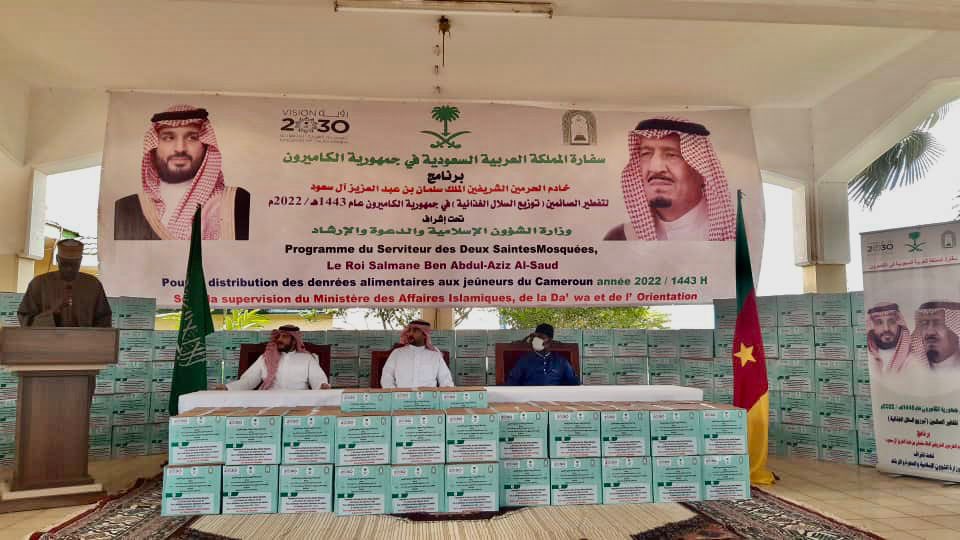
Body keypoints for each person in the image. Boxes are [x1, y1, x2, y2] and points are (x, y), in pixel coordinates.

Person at [114, 104, 250, 240]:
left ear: (206, 146)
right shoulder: (127, 207)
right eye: (168, 138)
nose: (180, 148)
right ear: (154, 147)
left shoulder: (237, 201)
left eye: (192, 138)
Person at [604, 116, 735, 241]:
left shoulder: (735, 234)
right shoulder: (620, 238)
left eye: (672, 155)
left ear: (702, 172)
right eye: (646, 153)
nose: (655, 168)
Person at [18, 239, 112, 327]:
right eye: (64, 264)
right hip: (47, 339)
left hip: (84, 339)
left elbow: (104, 321)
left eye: (74, 264)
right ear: (57, 259)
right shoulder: (39, 284)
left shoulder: (93, 285)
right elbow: (25, 319)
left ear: (80, 260)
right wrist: (53, 314)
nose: (69, 269)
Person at [219, 325, 330, 390]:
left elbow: (317, 379)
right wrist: (228, 388)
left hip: (299, 401)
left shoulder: (307, 359)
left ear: (294, 341)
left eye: (284, 337)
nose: (279, 340)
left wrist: (322, 386)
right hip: (270, 401)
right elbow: (249, 380)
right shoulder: (266, 357)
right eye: (279, 336)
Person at [381, 320, 454, 388]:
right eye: (409, 330)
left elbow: (446, 380)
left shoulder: (435, 356)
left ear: (424, 334)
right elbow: (386, 377)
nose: (410, 333)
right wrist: (394, 393)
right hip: (401, 396)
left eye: (415, 330)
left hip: (428, 396)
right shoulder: (397, 353)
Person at [506, 323, 580, 386]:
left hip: (554, 396)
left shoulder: (561, 361)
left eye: (541, 337)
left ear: (550, 341)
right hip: (530, 396)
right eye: (536, 337)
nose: (537, 340)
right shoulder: (524, 360)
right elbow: (511, 383)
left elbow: (574, 383)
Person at [911, 302, 960, 370]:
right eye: (924, 323)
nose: (930, 332)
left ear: (956, 328)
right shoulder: (913, 368)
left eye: (938, 323)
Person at [867, 303, 912, 372]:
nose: (886, 328)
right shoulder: (867, 356)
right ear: (872, 326)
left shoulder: (911, 356)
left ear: (899, 324)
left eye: (891, 322)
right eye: (879, 322)